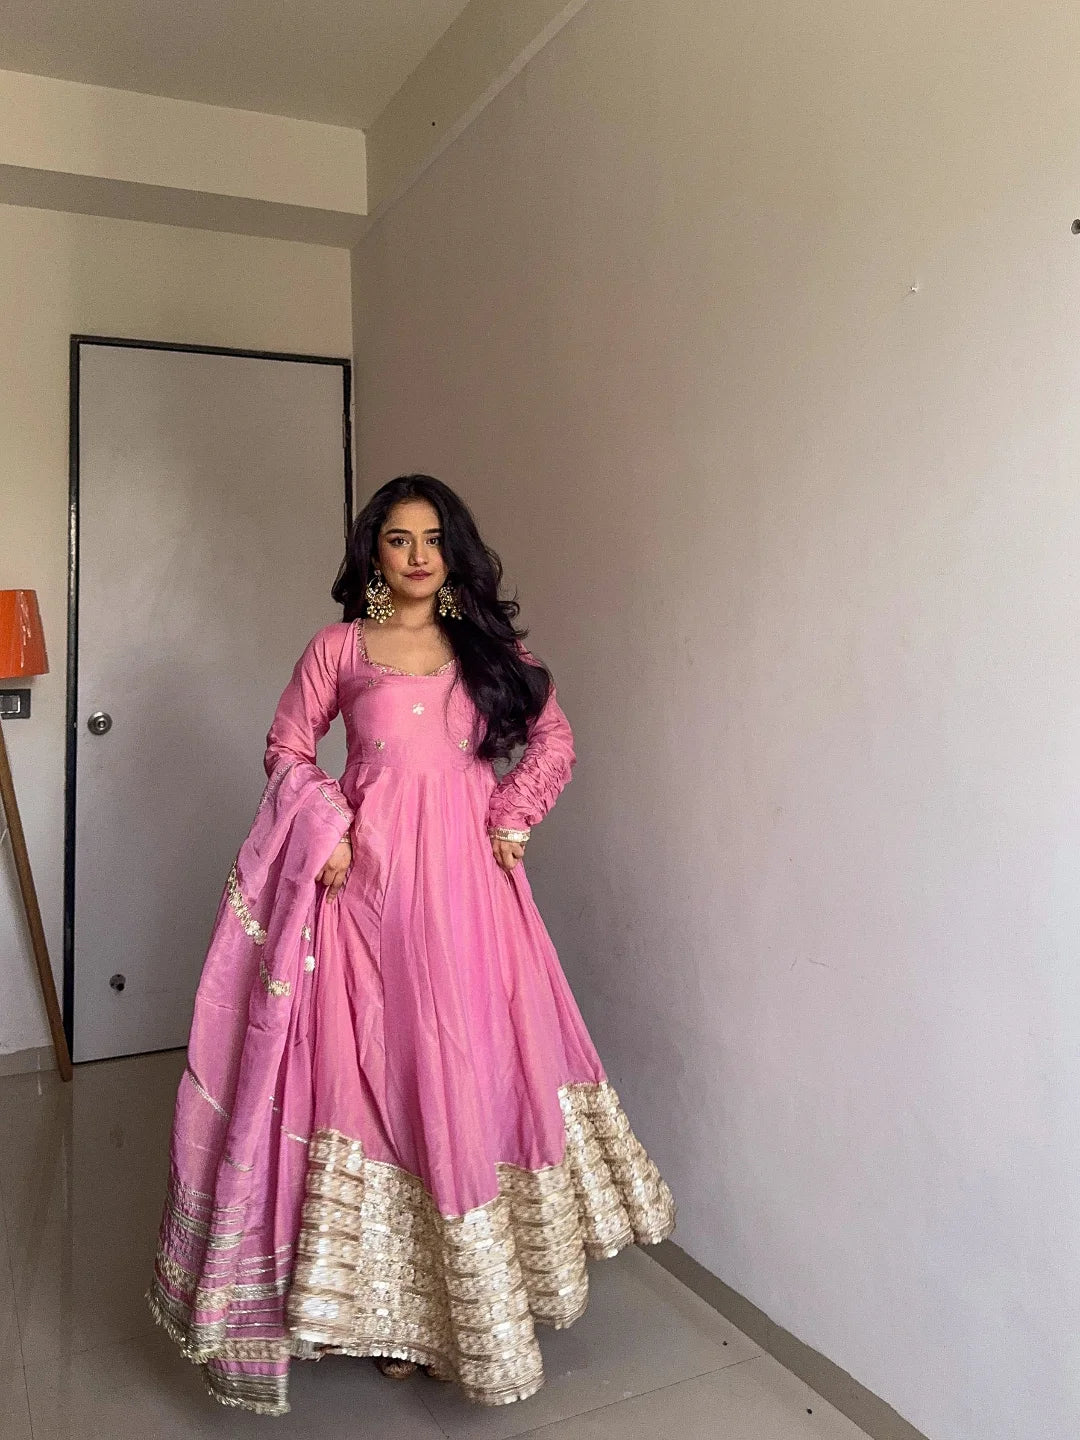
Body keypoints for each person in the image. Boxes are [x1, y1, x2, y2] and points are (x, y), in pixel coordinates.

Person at [147, 474, 674, 1415]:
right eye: (399, 540)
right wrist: (330, 830)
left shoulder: (486, 647)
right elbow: (287, 749)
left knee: (469, 1066)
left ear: (455, 549)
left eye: (434, 538)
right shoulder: (340, 648)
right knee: (381, 1075)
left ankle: (469, 1309)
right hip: (370, 896)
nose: (419, 556)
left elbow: (552, 739)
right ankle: (393, 1314)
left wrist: (514, 814)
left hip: (473, 893)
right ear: (373, 554)